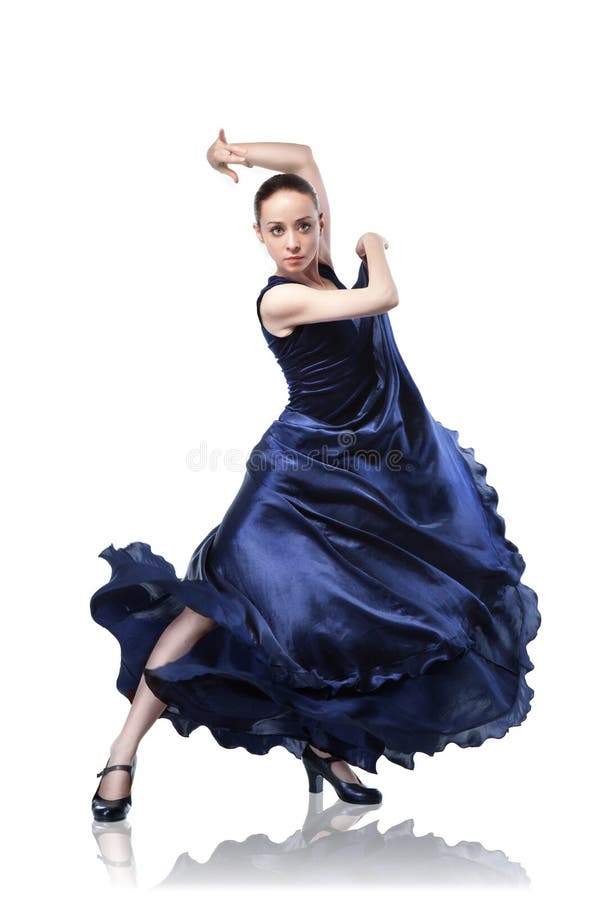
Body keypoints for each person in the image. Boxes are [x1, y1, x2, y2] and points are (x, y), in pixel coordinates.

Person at [91, 131, 541, 822]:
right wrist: (373, 244)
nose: (294, 241)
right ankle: (121, 756)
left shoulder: (321, 268)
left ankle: (322, 747)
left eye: (305, 225)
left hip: (352, 480)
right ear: (259, 236)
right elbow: (384, 296)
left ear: (316, 225)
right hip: (288, 484)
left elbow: (300, 157)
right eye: (278, 230)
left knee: (325, 626)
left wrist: (229, 151)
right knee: (212, 608)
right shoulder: (282, 300)